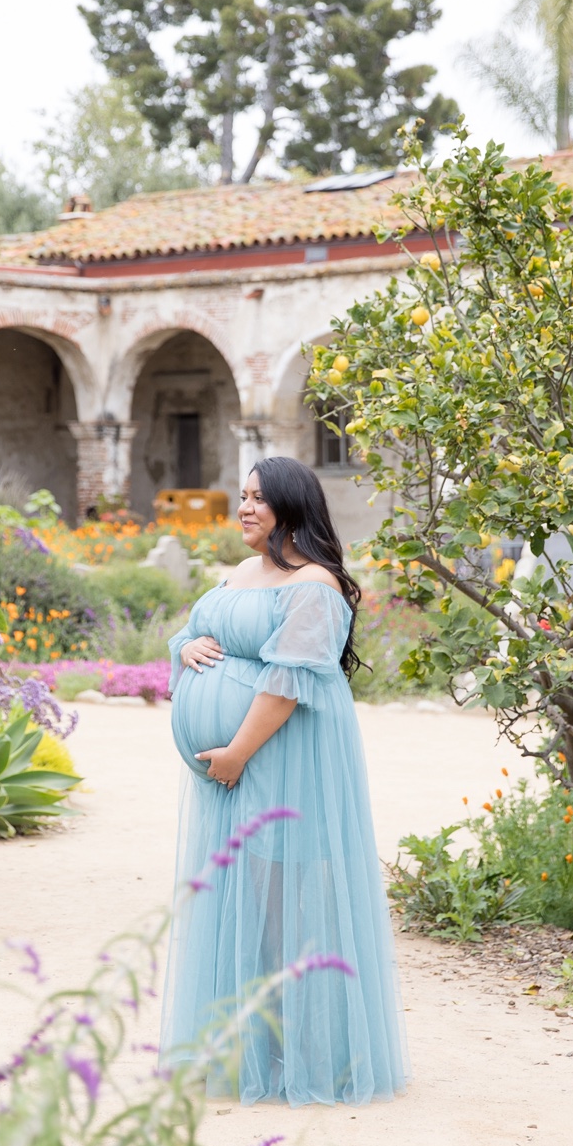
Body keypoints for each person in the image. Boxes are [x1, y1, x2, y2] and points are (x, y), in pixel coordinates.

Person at [162, 455, 409, 1106]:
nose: (243, 508)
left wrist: (238, 752)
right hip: (228, 775)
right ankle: (246, 1045)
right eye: (241, 496)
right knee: (238, 905)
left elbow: (287, 685)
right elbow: (194, 633)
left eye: (257, 499)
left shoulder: (317, 587)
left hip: (275, 763)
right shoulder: (242, 573)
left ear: (291, 509)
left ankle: (305, 1054)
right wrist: (185, 647)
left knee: (278, 908)